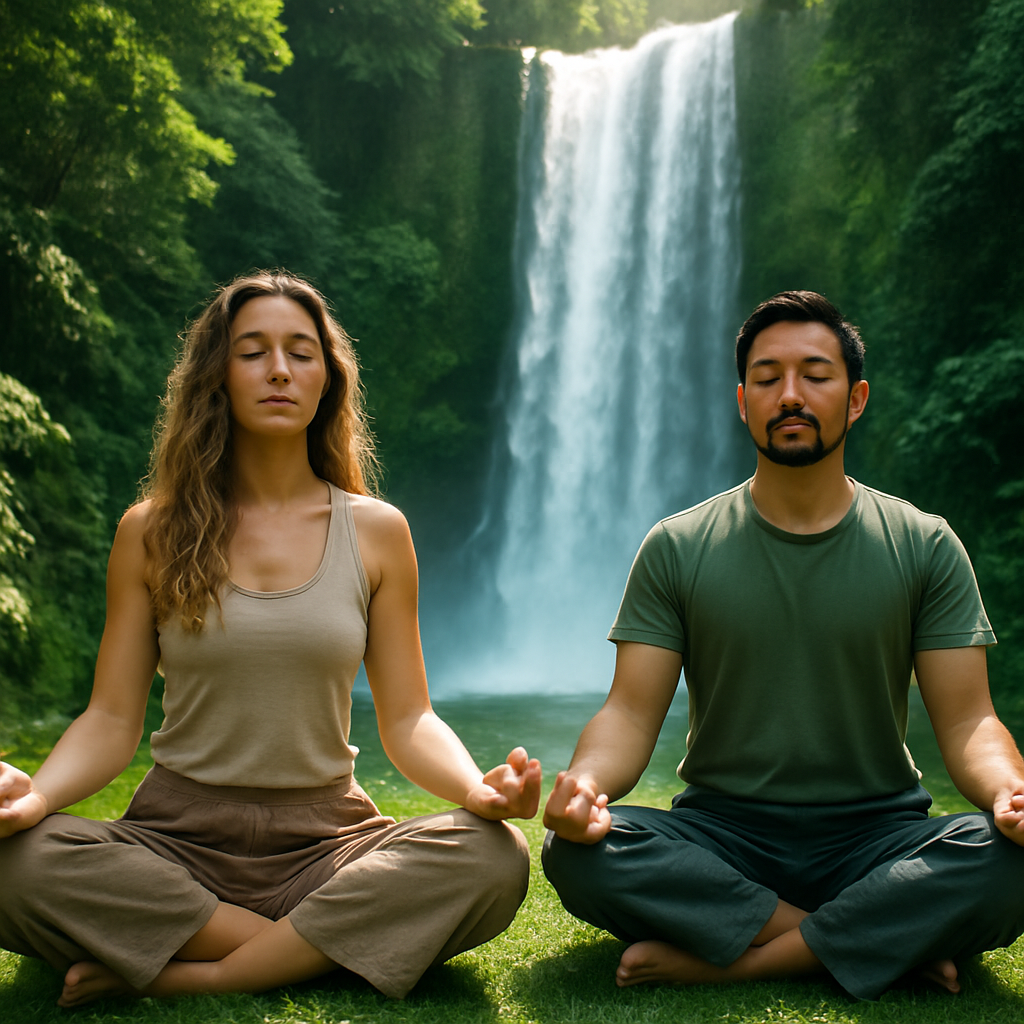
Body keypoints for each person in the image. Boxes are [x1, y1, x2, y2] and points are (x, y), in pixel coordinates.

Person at [0, 271, 541, 1008]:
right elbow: (111, 719)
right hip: (173, 842)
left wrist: (476, 789)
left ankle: (197, 967)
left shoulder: (378, 533)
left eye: (301, 352)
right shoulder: (149, 532)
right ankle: (309, 946)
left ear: (329, 378)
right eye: (252, 352)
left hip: (329, 845)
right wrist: (33, 803)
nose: (279, 370)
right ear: (216, 377)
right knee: (15, 863)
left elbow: (410, 718)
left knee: (494, 857)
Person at [541, 290, 1024, 1000]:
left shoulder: (924, 544)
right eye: (767, 378)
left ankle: (749, 957)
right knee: (578, 854)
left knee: (1011, 859)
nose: (790, 395)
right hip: (724, 836)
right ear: (743, 401)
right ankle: (883, 942)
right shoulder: (677, 546)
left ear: (855, 398)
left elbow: (968, 721)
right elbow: (630, 713)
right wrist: (586, 786)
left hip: (879, 838)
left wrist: (1011, 790)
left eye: (815, 375)